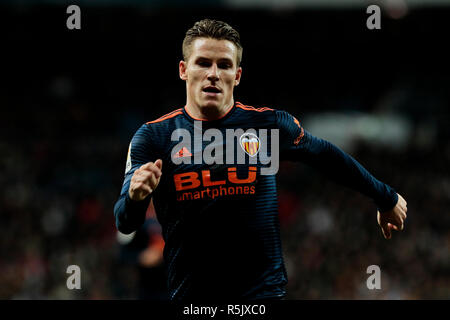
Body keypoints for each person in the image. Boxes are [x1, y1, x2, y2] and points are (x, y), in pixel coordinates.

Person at [114, 19, 407, 300]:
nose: (213, 73)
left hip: (262, 298)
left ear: (237, 75)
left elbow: (325, 155)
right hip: (192, 301)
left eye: (224, 65)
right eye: (203, 62)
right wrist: (136, 197)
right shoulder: (153, 137)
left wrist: (384, 196)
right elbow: (125, 222)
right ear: (183, 70)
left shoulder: (268, 125)